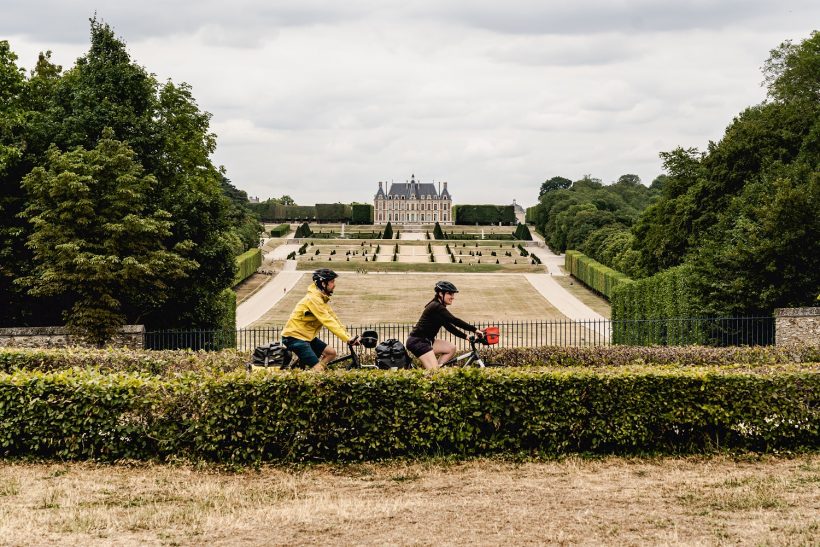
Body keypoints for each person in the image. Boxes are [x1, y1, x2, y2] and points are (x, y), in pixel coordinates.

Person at [281, 268, 358, 371]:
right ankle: (308, 378)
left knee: (331, 353)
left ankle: (312, 373)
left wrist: (349, 337)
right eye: (331, 282)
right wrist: (346, 339)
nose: (334, 285)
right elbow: (327, 321)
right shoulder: (313, 299)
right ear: (323, 283)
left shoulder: (321, 299)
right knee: (318, 370)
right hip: (295, 337)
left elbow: (334, 319)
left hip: (306, 337)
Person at [405, 280, 483, 369]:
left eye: (453, 294)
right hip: (418, 342)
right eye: (450, 294)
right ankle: (434, 373)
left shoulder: (438, 308)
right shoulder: (436, 306)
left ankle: (437, 370)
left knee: (451, 348)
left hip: (427, 341)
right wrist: (474, 329)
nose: (452, 297)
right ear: (441, 294)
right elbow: (454, 320)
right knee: (434, 373)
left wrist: (465, 336)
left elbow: (449, 326)